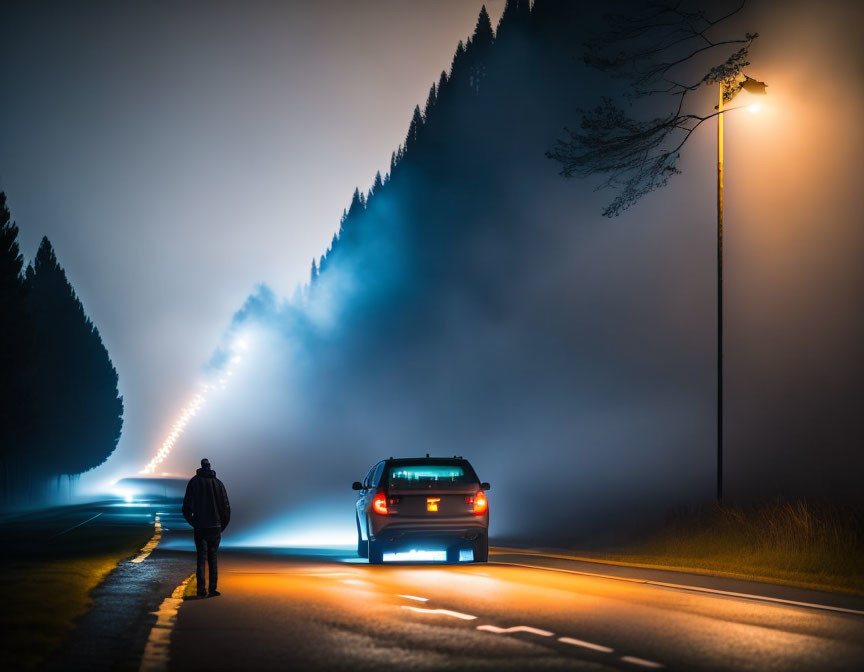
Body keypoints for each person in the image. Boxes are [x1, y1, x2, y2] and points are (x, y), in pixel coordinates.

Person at [182, 458, 230, 597]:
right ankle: (213, 589)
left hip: (201, 527)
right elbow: (226, 508)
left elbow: (186, 507)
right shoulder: (218, 483)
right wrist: (222, 526)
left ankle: (201, 589)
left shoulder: (194, 482)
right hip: (215, 527)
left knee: (201, 558)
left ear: (201, 467)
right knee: (213, 558)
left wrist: (193, 522)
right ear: (210, 467)